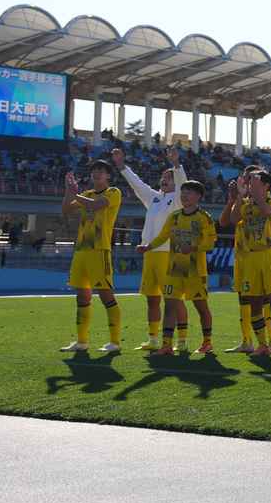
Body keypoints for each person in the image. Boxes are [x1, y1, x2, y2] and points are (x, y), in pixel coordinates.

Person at [113, 146, 185, 352]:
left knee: (173, 300)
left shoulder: (178, 200)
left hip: (168, 254)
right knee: (152, 299)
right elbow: (137, 184)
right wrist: (121, 166)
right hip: (149, 254)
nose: (164, 180)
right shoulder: (154, 198)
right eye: (163, 177)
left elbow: (182, 182)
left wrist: (176, 164)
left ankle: (181, 340)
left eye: (169, 178)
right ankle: (153, 339)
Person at [138, 180, 216, 355]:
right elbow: (163, 236)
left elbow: (210, 243)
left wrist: (194, 247)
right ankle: (167, 345)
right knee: (170, 305)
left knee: (201, 307)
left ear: (198, 196)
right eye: (183, 192)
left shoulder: (204, 217)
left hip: (195, 271)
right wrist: (148, 246)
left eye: (189, 192)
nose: (184, 195)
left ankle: (207, 342)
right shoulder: (174, 217)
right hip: (174, 269)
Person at [59, 160, 123, 353]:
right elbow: (66, 210)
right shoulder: (86, 194)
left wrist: (75, 194)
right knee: (82, 296)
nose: (97, 173)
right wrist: (68, 190)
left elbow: (96, 206)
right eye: (94, 170)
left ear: (108, 175)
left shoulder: (113, 192)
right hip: (81, 251)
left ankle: (115, 342)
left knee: (105, 295)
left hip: (99, 251)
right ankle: (82, 342)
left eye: (101, 170)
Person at [233, 170, 271, 357]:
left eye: (255, 182)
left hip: (270, 256)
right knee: (254, 303)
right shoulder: (246, 205)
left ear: (266, 186)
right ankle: (262, 344)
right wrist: (239, 197)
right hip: (251, 258)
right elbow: (233, 219)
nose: (251, 185)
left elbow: (268, 212)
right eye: (250, 183)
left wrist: (257, 196)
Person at [219, 165, 262, 353]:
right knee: (243, 299)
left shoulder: (265, 200)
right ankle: (247, 341)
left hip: (260, 257)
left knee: (262, 301)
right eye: (245, 177)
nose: (246, 181)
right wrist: (233, 199)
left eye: (251, 178)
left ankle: (269, 343)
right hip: (242, 256)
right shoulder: (241, 200)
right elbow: (224, 222)